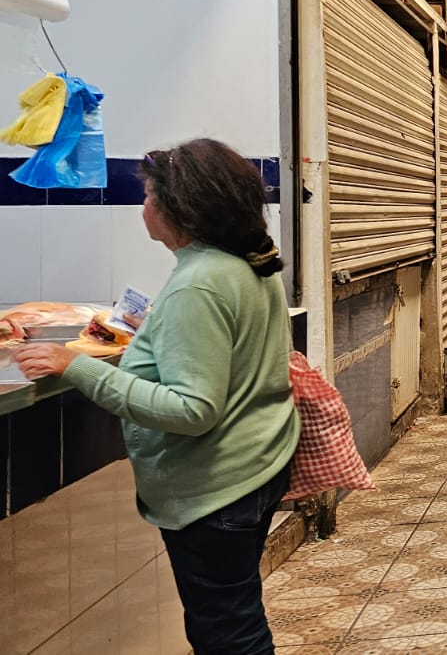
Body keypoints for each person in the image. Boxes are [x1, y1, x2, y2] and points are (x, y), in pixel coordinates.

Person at [14, 139, 300, 655]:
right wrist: (157, 331)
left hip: (220, 485)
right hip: (257, 464)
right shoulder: (241, 264)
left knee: (227, 633)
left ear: (179, 209)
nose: (143, 206)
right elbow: (229, 349)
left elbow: (192, 410)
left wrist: (75, 366)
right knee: (233, 614)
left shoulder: (201, 283)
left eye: (149, 195)